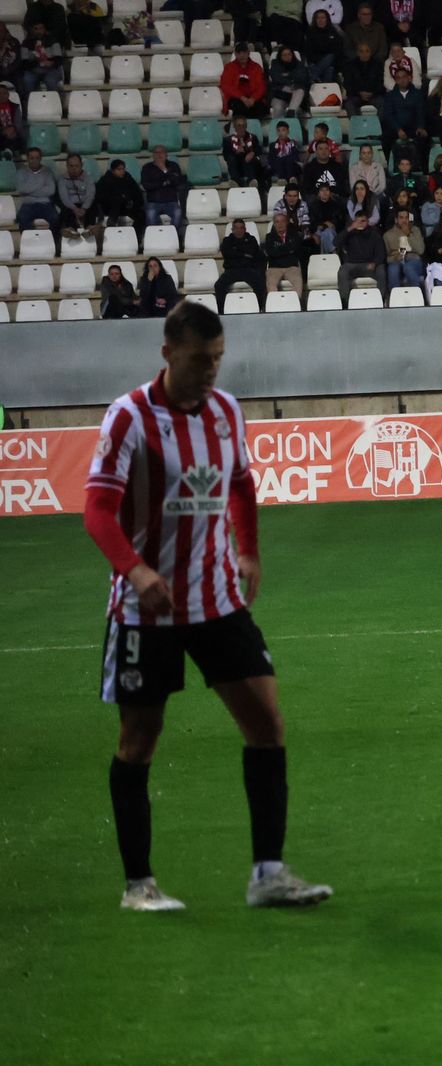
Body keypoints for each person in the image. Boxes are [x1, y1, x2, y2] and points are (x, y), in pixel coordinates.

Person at [83, 301, 333, 913]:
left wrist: (248, 552)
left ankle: (268, 874)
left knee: (267, 724)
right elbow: (97, 509)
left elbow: (243, 485)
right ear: (168, 354)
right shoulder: (129, 418)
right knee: (140, 738)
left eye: (217, 360)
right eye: (200, 361)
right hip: (148, 610)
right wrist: (134, 569)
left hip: (218, 599)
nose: (210, 372)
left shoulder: (225, 412)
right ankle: (138, 884)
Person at [335, 212, 388, 303]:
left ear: (367, 221)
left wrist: (375, 263)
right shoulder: (349, 232)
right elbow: (335, 243)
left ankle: (380, 300)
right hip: (352, 265)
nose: (360, 223)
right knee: (343, 270)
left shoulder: (374, 234)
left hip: (370, 265)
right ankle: (345, 301)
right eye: (357, 221)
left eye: (363, 221)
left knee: (381, 270)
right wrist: (350, 228)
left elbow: (381, 252)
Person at [214, 218, 269, 306]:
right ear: (232, 230)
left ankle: (260, 308)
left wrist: (236, 252)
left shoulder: (251, 239)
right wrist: (244, 254)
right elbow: (227, 254)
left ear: (245, 229)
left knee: (260, 284)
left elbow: (253, 253)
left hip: (248, 270)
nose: (239, 230)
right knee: (218, 285)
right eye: (236, 228)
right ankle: (221, 311)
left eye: (241, 228)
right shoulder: (227, 241)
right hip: (231, 270)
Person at [262, 212, 306, 303]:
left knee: (298, 282)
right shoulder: (269, 237)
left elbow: (296, 249)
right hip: (274, 268)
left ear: (286, 223)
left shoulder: (294, 236)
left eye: (282, 221)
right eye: (277, 222)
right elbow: (271, 253)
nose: (280, 224)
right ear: (274, 224)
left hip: (291, 267)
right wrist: (288, 249)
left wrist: (279, 250)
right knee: (271, 284)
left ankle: (295, 304)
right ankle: (275, 305)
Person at [224, 116, 270, 196]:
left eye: (243, 125)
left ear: (246, 126)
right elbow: (226, 155)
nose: (241, 128)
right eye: (238, 125)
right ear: (234, 127)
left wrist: (252, 153)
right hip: (237, 167)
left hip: (250, 167)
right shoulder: (228, 140)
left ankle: (251, 182)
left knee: (252, 159)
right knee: (231, 158)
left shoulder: (253, 138)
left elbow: (259, 151)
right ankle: (235, 182)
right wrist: (236, 152)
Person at [221, 43, 269, 119]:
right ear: (235, 54)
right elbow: (226, 86)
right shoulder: (229, 67)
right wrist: (242, 98)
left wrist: (253, 98)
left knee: (260, 108)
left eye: (244, 53)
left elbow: (261, 86)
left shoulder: (256, 67)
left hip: (253, 98)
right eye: (239, 53)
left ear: (248, 53)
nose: (242, 55)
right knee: (239, 107)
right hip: (236, 98)